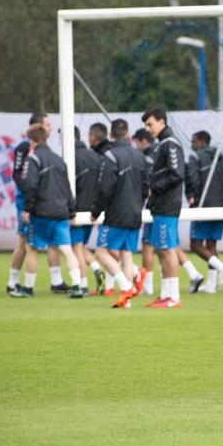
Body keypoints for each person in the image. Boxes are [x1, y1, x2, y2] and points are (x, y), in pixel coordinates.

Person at [142, 107, 200, 308]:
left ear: (161, 121)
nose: (148, 129)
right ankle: (165, 294)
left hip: (167, 206)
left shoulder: (171, 143)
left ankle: (173, 296)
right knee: (161, 249)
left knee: (167, 250)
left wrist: (153, 190)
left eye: (150, 124)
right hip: (160, 206)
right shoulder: (162, 144)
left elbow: (177, 174)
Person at [20, 122, 85, 298]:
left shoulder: (33, 158)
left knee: (32, 248)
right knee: (67, 249)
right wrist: (71, 211)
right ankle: (77, 286)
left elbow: (30, 185)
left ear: (33, 141)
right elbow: (67, 187)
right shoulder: (58, 159)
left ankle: (27, 288)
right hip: (61, 212)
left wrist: (27, 209)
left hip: (42, 213)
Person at [90, 119, 147, 309]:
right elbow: (146, 186)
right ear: (128, 133)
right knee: (126, 254)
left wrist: (96, 211)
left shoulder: (111, 156)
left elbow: (105, 188)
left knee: (101, 252)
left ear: (111, 135)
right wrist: (138, 204)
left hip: (116, 214)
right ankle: (126, 301)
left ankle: (126, 286)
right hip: (135, 213)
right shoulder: (139, 156)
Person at [185, 130, 223, 294]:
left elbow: (193, 179)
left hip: (203, 206)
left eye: (193, 141)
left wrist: (192, 197)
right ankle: (212, 285)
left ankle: (222, 267)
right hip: (221, 207)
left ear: (200, 141)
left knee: (196, 244)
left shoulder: (196, 156)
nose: (192, 144)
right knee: (211, 244)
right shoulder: (222, 158)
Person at [7, 112, 47, 298]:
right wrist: (29, 193)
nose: (50, 128)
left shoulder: (42, 149)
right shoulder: (24, 147)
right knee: (25, 242)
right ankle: (14, 282)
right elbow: (16, 174)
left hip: (35, 200)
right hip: (26, 200)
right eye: (47, 125)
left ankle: (14, 282)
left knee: (25, 242)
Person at [71, 126, 106, 295]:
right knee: (80, 246)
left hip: (78, 210)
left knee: (75, 248)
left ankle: (82, 284)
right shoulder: (96, 156)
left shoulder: (71, 158)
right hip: (93, 210)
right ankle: (96, 267)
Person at [132, 128, 155, 296]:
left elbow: (146, 185)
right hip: (163, 206)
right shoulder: (160, 153)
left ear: (143, 141)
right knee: (169, 247)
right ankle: (193, 273)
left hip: (152, 207)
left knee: (148, 245)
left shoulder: (145, 159)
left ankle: (147, 285)